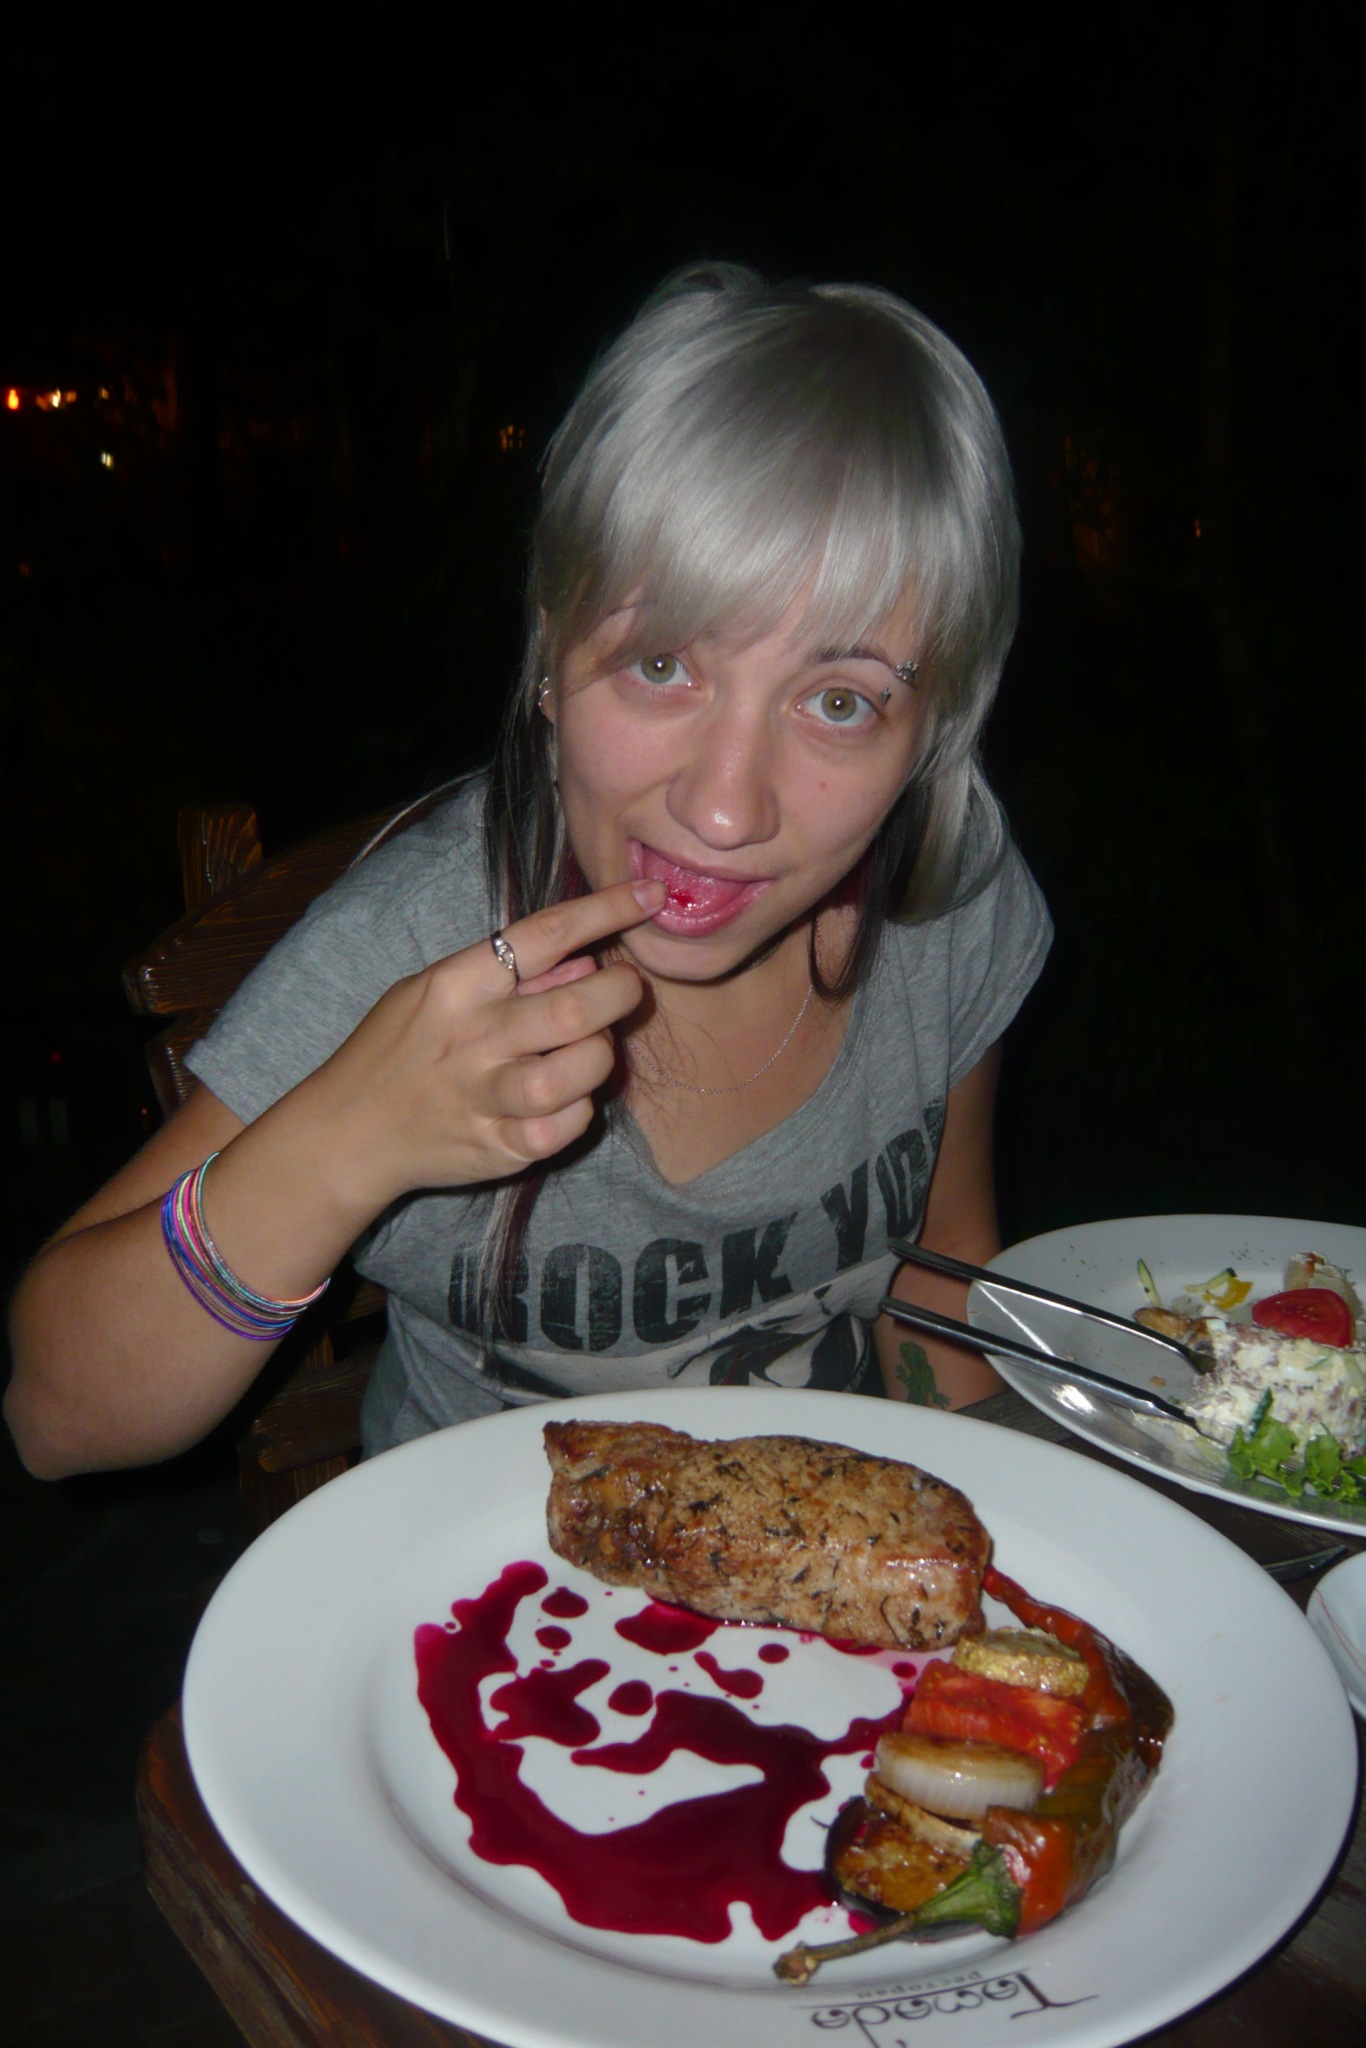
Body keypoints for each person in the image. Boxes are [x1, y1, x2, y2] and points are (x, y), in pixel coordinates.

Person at [6, 263, 1050, 1479]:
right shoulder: (413, 946)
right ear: (550, 654)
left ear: (930, 737)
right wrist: (347, 1141)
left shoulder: (945, 908)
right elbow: (55, 1417)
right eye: (661, 664)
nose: (723, 807)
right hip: (490, 1584)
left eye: (837, 700)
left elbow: (940, 1270)